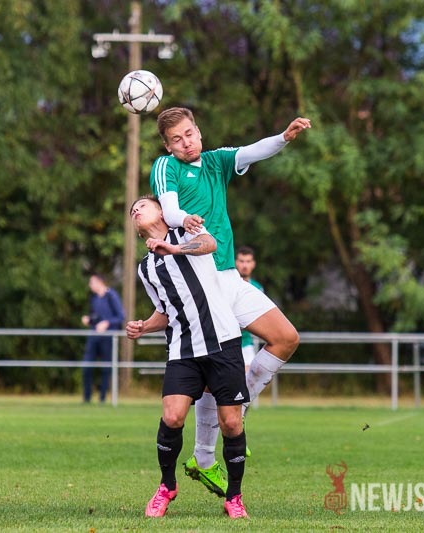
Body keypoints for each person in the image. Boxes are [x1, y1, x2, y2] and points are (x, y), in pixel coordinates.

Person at [149, 107, 309, 498]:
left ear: (199, 131)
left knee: (286, 338)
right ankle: (204, 458)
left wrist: (284, 137)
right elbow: (168, 207)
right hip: (202, 284)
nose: (185, 143)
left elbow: (253, 150)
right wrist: (184, 219)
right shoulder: (166, 166)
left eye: (189, 134)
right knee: (211, 374)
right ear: (168, 146)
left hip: (230, 279)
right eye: (176, 139)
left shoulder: (217, 162)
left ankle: (238, 409)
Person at [126, 195, 250, 519]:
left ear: (161, 211)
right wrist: (144, 326)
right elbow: (164, 311)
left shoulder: (185, 231)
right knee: (172, 417)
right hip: (183, 349)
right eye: (132, 210)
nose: (136, 209)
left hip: (223, 341)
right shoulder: (145, 268)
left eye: (143, 205)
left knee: (231, 422)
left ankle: (234, 497)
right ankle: (167, 486)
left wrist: (175, 248)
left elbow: (210, 244)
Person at [81, 273, 124, 403]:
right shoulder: (94, 298)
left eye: (91, 282)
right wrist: (89, 320)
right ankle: (87, 398)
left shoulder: (111, 296)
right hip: (94, 336)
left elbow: (121, 317)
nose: (90, 285)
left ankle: (102, 398)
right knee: (87, 365)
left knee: (106, 367)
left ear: (99, 282)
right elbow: (96, 318)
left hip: (108, 337)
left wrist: (107, 323)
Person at [235, 246, 265, 371]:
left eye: (248, 261)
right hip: (227, 340)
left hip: (246, 342)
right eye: (241, 261)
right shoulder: (230, 284)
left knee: (249, 377)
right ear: (236, 262)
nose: (244, 265)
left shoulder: (258, 288)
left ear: (253, 264)